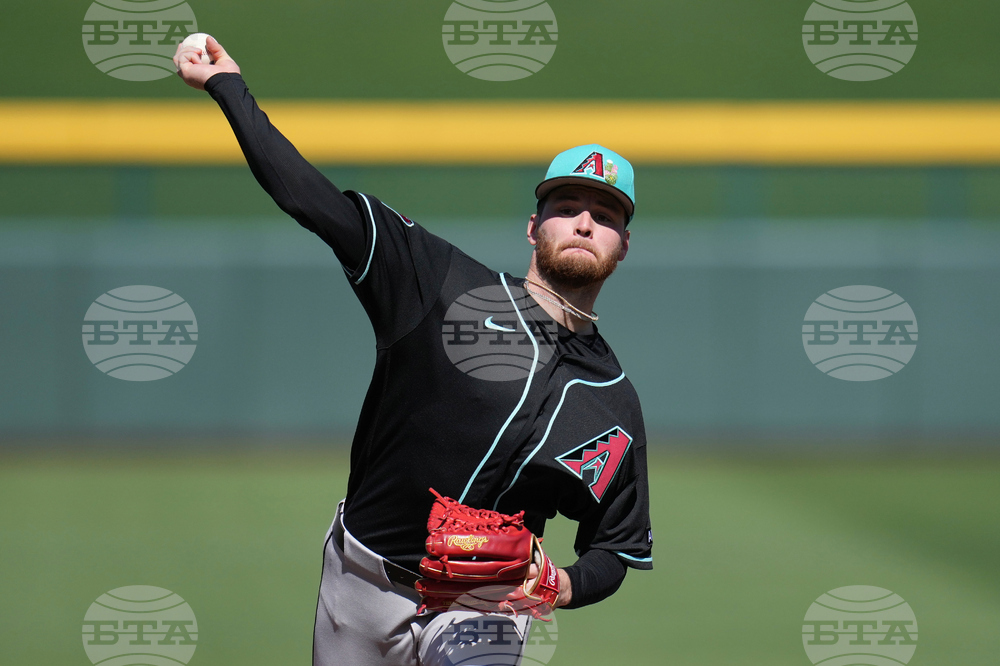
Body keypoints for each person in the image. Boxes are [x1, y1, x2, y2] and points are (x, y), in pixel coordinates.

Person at [175, 36, 652, 666]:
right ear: (534, 228)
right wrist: (228, 87)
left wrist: (560, 585)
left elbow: (614, 549)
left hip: (482, 603)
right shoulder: (443, 285)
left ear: (623, 246)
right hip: (360, 580)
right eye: (566, 207)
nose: (585, 223)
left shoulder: (611, 401)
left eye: (605, 215)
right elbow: (310, 199)